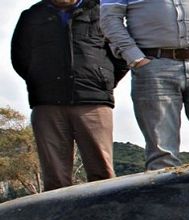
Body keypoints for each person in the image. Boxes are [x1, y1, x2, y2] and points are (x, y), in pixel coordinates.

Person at [100, 0, 189, 170]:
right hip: (154, 66)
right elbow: (109, 18)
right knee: (161, 156)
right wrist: (135, 57)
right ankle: (165, 196)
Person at [11, 0, 129, 191]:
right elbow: (20, 58)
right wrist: (40, 81)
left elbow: (122, 53)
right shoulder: (31, 16)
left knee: (102, 173)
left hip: (93, 102)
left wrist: (103, 81)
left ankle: (107, 218)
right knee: (55, 179)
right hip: (47, 103)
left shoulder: (102, 12)